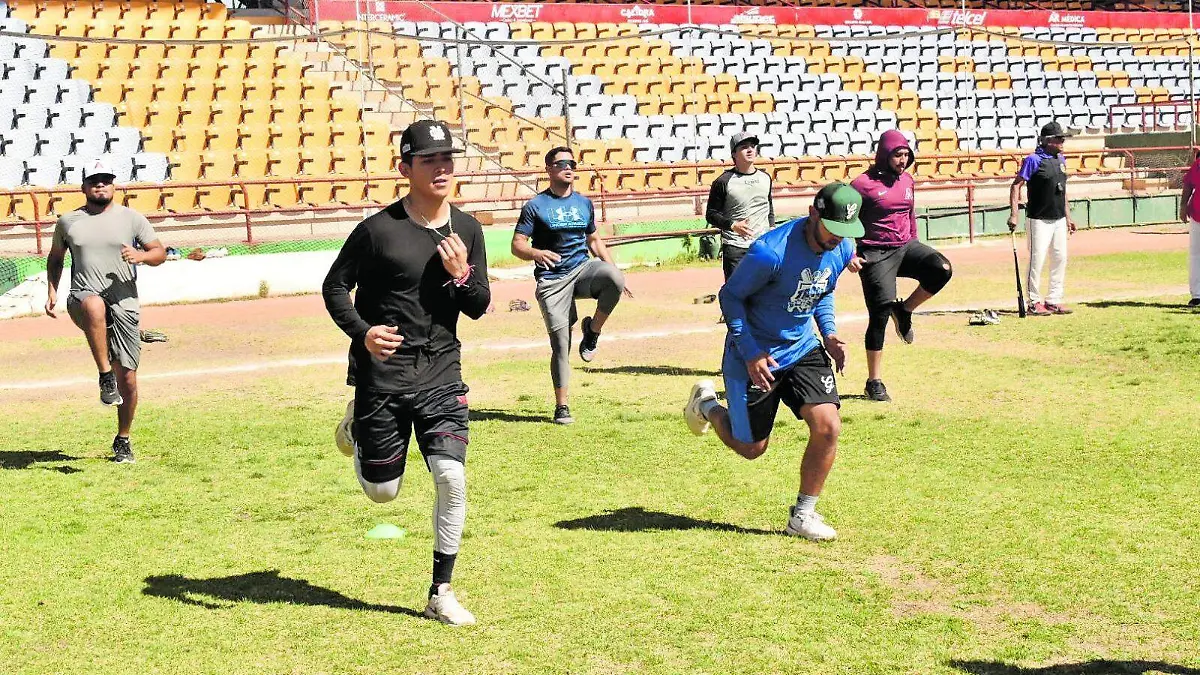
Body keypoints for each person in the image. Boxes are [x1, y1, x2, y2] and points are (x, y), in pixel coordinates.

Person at [323, 119, 490, 626]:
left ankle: (441, 591)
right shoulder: (378, 230)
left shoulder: (468, 229)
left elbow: (478, 305)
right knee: (383, 492)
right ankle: (357, 428)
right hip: (384, 377)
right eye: (429, 160)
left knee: (451, 477)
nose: (441, 168)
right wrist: (363, 332)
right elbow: (334, 287)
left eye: (447, 159)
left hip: (441, 372)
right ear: (405, 168)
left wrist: (462, 274)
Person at [683, 182, 864, 541]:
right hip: (754, 352)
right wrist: (751, 353)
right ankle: (706, 406)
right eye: (832, 228)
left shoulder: (842, 247)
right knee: (751, 448)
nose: (838, 238)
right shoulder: (769, 252)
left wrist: (829, 334)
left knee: (828, 426)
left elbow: (822, 290)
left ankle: (803, 516)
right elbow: (730, 297)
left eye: (845, 230)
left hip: (802, 348)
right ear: (813, 214)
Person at [43, 158, 167, 464]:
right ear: (83, 187)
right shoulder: (68, 222)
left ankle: (123, 439)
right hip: (82, 298)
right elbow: (56, 258)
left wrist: (141, 256)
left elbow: (159, 253)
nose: (101, 185)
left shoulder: (132, 219)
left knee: (130, 379)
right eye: (94, 180)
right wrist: (52, 290)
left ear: (114, 185)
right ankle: (104, 376)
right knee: (94, 304)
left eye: (106, 180)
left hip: (124, 303)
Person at [511, 146, 630, 425]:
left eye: (572, 164)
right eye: (561, 163)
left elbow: (594, 240)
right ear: (548, 169)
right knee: (561, 343)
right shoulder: (535, 206)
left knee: (614, 278)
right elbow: (517, 245)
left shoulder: (584, 203)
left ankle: (592, 331)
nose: (568, 168)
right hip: (553, 279)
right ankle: (562, 405)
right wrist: (536, 253)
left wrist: (614, 270)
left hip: (581, 269)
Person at [850, 130, 953, 403]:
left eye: (906, 155)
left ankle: (905, 310)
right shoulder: (861, 184)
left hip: (906, 246)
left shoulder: (907, 180)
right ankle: (874, 381)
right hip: (875, 252)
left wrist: (915, 242)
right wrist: (849, 253)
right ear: (884, 155)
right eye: (898, 155)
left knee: (942, 269)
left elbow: (910, 213)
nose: (903, 160)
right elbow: (843, 219)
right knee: (879, 313)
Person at [1008, 121, 1076, 316]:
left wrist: (1068, 217)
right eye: (1059, 139)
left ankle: (1054, 300)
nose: (1062, 142)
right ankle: (1033, 302)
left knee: (1060, 258)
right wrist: (1014, 214)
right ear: (1047, 141)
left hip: (1058, 219)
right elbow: (1016, 185)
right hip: (1038, 219)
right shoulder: (1033, 160)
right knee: (1036, 260)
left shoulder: (1061, 160)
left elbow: (1063, 191)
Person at [706, 131, 776, 282]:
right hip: (736, 248)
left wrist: (771, 227)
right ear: (734, 154)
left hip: (762, 246)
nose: (750, 150)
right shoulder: (723, 181)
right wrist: (733, 225)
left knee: (764, 292)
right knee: (736, 292)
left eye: (752, 146)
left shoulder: (765, 178)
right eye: (744, 147)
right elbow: (711, 214)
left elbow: (768, 206)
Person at [1179, 150, 1200, 307]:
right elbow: (1188, 184)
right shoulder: (1198, 165)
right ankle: (1197, 295)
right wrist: (1183, 205)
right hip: (1197, 215)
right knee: (1195, 255)